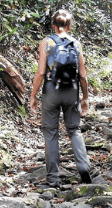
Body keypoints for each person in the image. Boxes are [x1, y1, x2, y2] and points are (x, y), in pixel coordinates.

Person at [29, 9, 92, 186]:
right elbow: (83, 75)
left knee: (50, 133)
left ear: (53, 25)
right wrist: (85, 97)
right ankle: (84, 168)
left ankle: (52, 178)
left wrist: (33, 95)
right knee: (74, 130)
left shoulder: (46, 42)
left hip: (51, 92)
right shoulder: (76, 44)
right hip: (71, 91)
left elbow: (41, 72)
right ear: (69, 26)